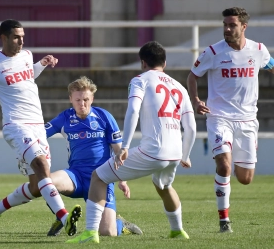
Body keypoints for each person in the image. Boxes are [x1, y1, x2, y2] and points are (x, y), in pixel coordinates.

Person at [65, 41, 197, 244]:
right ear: (165, 62)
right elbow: (191, 127)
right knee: (163, 186)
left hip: (153, 150)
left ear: (143, 62)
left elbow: (133, 110)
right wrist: (186, 155)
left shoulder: (140, 80)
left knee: (98, 177)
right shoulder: (179, 86)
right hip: (175, 152)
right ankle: (177, 230)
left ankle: (90, 233)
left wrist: (124, 146)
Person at [0, 19, 77, 235]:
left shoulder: (27, 55)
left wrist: (41, 64)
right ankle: (65, 218)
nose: (21, 41)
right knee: (42, 166)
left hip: (38, 126)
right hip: (16, 126)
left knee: (36, 187)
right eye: (16, 37)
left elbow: (27, 76)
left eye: (23, 37)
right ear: (3, 38)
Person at [186, 7, 274, 233]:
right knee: (224, 166)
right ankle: (224, 221)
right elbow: (192, 76)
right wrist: (196, 100)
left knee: (245, 179)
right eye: (225, 24)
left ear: (243, 27)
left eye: (232, 25)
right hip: (219, 118)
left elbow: (271, 66)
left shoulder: (259, 50)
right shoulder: (213, 52)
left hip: (247, 120)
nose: (227, 28)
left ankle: (231, 169)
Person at [44, 76, 143, 236]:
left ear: (92, 98)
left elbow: (119, 150)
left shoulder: (104, 117)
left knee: (107, 232)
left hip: (102, 178)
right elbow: (40, 134)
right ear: (70, 99)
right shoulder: (65, 117)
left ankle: (120, 224)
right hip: (76, 176)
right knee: (46, 182)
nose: (82, 104)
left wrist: (122, 179)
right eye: (78, 100)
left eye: (86, 99)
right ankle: (62, 218)